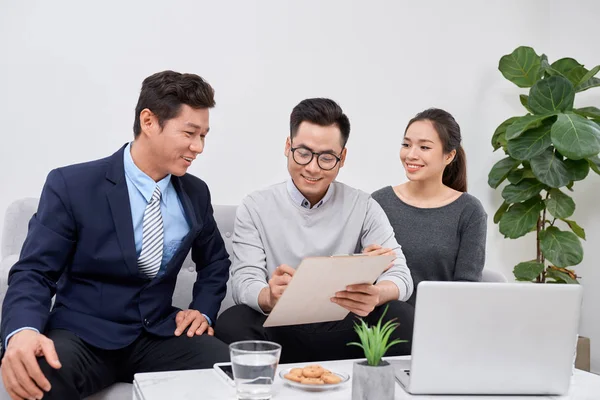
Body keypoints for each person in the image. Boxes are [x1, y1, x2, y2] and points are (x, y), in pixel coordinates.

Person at [0, 71, 231, 400]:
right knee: (40, 374)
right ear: (149, 121)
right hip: (82, 335)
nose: (198, 147)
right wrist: (23, 331)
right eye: (190, 133)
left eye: (204, 136)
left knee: (231, 373)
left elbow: (216, 261)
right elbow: (34, 271)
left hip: (158, 335)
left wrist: (203, 310)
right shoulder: (72, 185)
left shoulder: (195, 193)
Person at [215, 98, 414, 363]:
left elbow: (402, 276)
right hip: (279, 328)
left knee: (402, 316)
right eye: (303, 153)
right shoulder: (256, 205)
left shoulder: (363, 205)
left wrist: (377, 293)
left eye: (327, 158)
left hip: (343, 326)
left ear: (342, 158)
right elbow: (244, 281)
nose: (312, 167)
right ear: (288, 147)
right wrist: (268, 296)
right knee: (232, 323)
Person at [372, 108, 487, 306]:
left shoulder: (469, 211)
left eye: (424, 147)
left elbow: (466, 290)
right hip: (382, 326)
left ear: (449, 156)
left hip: (439, 323)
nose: (411, 155)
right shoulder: (379, 202)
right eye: (406, 145)